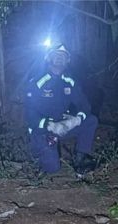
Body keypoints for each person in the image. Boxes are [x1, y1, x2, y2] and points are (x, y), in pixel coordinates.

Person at [24, 43, 98, 177]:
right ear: (48, 58)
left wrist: (74, 121)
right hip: (42, 129)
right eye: (56, 55)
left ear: (68, 60)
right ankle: (38, 154)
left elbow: (84, 105)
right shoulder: (38, 81)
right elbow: (30, 114)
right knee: (53, 169)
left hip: (62, 126)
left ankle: (80, 160)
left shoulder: (69, 81)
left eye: (63, 56)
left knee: (91, 121)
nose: (60, 58)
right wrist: (50, 125)